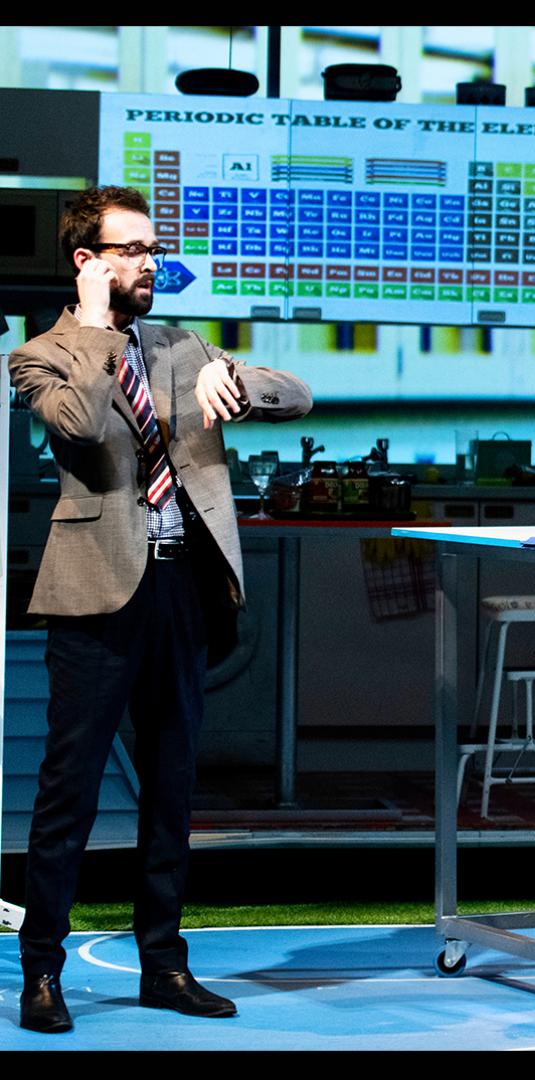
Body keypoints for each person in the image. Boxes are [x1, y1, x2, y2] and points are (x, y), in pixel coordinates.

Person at [10, 186, 313, 1034]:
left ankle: (163, 964)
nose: (151, 263)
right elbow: (73, 424)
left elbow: (297, 394)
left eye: (152, 248)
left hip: (184, 585)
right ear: (89, 261)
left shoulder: (183, 344)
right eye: (134, 251)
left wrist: (237, 379)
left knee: (173, 784)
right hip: (97, 590)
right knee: (67, 790)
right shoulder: (41, 354)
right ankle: (44, 971)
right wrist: (104, 335)